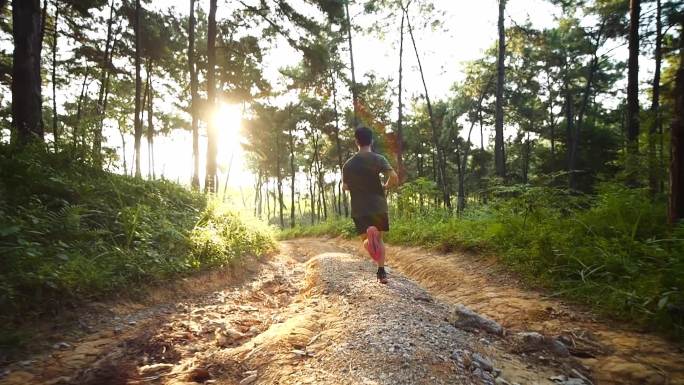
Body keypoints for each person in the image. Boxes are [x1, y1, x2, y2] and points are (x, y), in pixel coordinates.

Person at [342, 126, 398, 284]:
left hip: (360, 208)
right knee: (380, 240)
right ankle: (381, 273)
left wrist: (355, 185)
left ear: (356, 142)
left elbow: (344, 187)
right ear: (371, 140)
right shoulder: (378, 159)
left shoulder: (348, 164)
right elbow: (393, 176)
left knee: (365, 241)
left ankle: (368, 240)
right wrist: (386, 185)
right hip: (378, 206)